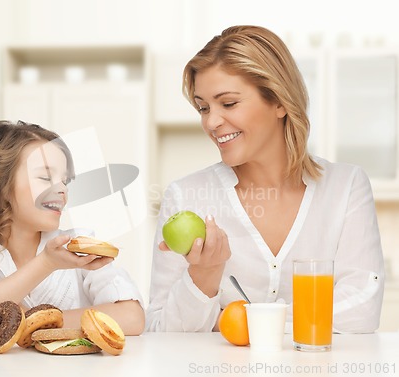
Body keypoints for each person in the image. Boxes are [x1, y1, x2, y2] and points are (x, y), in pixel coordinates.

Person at [146, 25, 384, 333]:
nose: (211, 122)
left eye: (228, 103)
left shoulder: (347, 187)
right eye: (203, 107)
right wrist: (203, 275)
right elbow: (159, 328)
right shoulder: (185, 195)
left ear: (280, 101)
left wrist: (241, 322)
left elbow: (362, 309)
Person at [0, 120, 145, 339]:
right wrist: (46, 263)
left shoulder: (78, 244)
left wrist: (36, 321)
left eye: (65, 181)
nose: (61, 190)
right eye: (45, 177)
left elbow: (132, 317)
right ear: (0, 185)